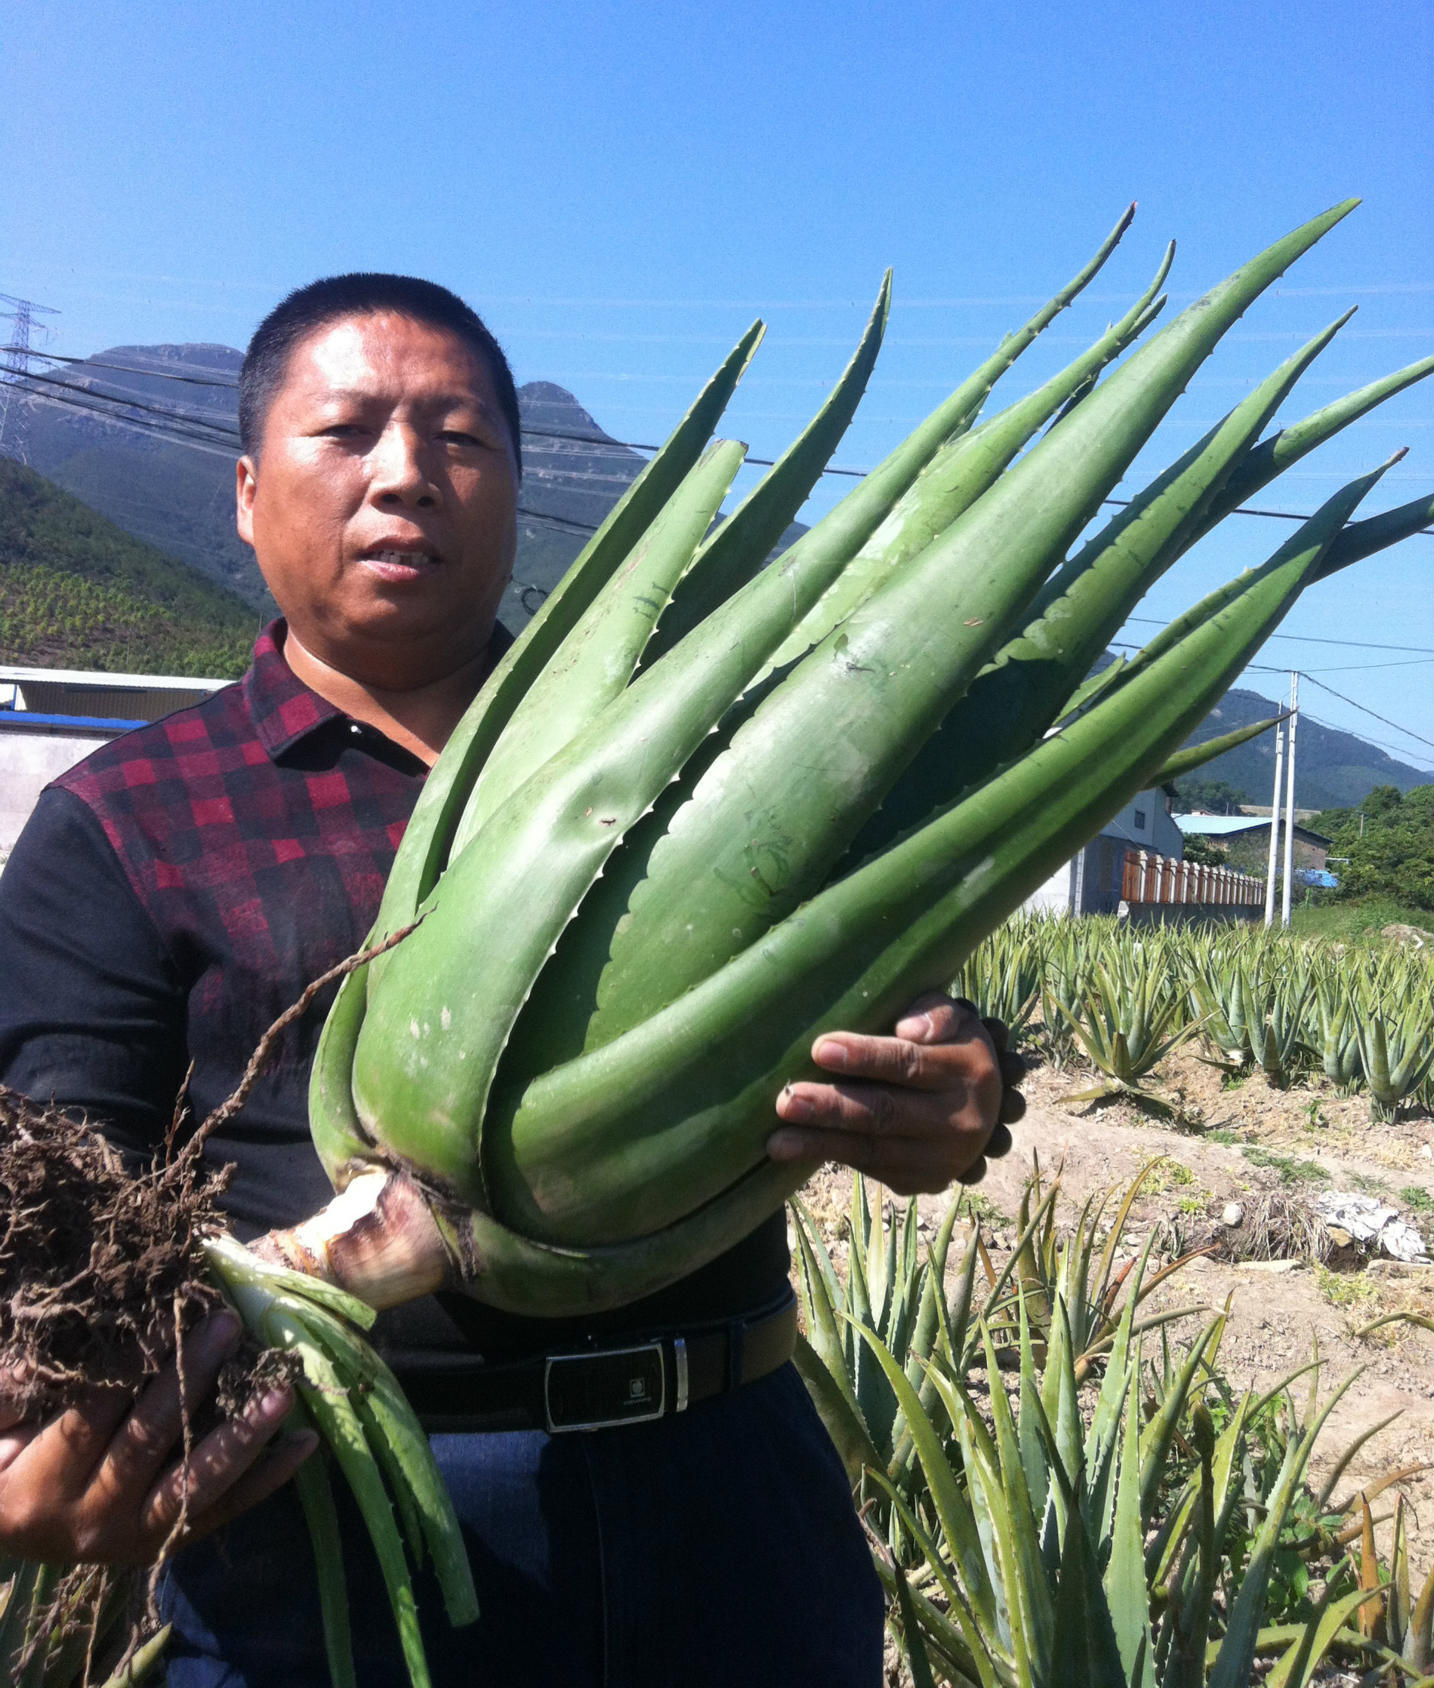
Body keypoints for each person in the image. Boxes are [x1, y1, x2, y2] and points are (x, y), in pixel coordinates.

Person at [0, 276, 1022, 1685]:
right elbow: (60, 1178)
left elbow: (878, 980)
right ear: (244, 493)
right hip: (340, 1529)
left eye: (460, 437)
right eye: (346, 431)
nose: (405, 475)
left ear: (520, 490)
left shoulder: (713, 760)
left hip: (730, 1493)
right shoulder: (126, 819)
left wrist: (960, 1079)